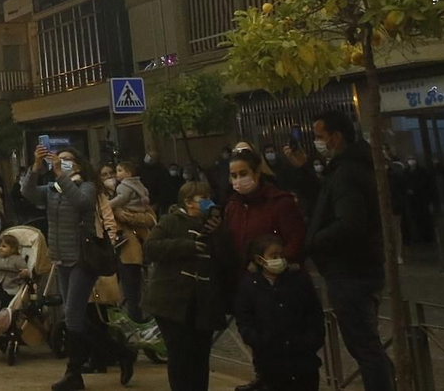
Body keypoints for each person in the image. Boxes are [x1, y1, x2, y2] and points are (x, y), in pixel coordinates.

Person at [22, 144, 136, 391]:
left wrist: (61, 175)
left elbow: (82, 202)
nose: (61, 162)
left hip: (84, 259)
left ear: (78, 163)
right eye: (59, 159)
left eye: (67, 159)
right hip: (61, 258)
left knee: (72, 316)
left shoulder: (87, 186)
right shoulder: (52, 190)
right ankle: (121, 352)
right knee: (75, 318)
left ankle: (74, 373)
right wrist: (35, 166)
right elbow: (28, 192)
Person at [306, 112, 394, 391]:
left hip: (351, 272)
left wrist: (314, 241)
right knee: (367, 346)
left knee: (364, 347)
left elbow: (350, 224)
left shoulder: (347, 172)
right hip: (357, 269)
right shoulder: (350, 167)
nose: (317, 143)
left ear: (336, 137)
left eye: (320, 137)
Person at [143, 180, 232, 391]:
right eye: (203, 199)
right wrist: (186, 246)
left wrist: (219, 233)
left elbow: (227, 259)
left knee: (200, 355)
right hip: (171, 301)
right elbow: (151, 248)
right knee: (180, 354)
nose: (208, 202)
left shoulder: (215, 225)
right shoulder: (170, 221)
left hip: (203, 302)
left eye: (209, 197)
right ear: (189, 202)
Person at [235, 234, 325, 391]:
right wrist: (259, 341)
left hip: (304, 362)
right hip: (270, 364)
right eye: (273, 256)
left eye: (281, 255)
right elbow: (244, 319)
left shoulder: (298, 280)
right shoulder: (249, 285)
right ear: (259, 259)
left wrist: (311, 340)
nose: (279, 259)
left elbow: (314, 313)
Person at [224, 151, 305, 266]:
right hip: (244, 277)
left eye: (243, 174)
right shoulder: (233, 205)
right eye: (234, 175)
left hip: (277, 275)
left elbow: (296, 240)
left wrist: (278, 263)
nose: (238, 179)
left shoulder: (280, 202)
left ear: (257, 173)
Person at [101, 163, 154, 326]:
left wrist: (126, 216)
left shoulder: (129, 193)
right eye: (105, 174)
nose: (110, 177)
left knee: (132, 292)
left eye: (113, 172)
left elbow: (150, 218)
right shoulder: (100, 198)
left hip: (129, 250)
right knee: (108, 293)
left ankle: (136, 324)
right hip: (106, 253)